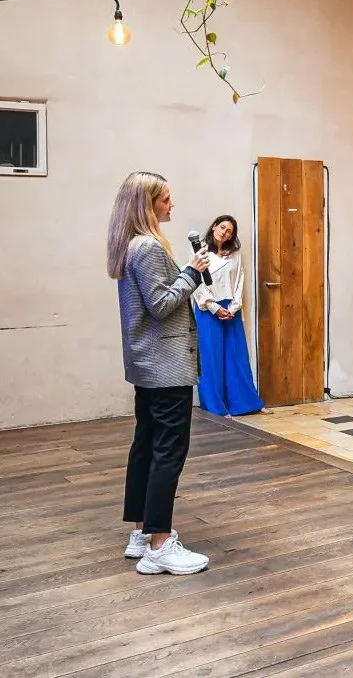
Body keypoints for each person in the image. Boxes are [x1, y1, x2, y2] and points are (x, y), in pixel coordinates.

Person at [108, 171, 212, 575]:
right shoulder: (149, 247)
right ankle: (159, 544)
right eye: (165, 199)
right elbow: (161, 304)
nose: (171, 205)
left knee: (147, 446)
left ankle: (142, 531)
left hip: (148, 365)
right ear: (146, 204)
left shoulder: (130, 245)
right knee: (169, 450)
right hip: (165, 366)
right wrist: (190, 272)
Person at [191, 214, 264, 417]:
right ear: (214, 226)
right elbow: (195, 280)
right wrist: (213, 307)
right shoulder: (199, 250)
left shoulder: (234, 254)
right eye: (222, 227)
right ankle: (216, 407)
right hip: (208, 308)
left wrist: (233, 307)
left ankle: (247, 402)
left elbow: (240, 279)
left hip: (230, 308)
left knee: (236, 356)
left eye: (229, 230)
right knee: (210, 358)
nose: (225, 232)